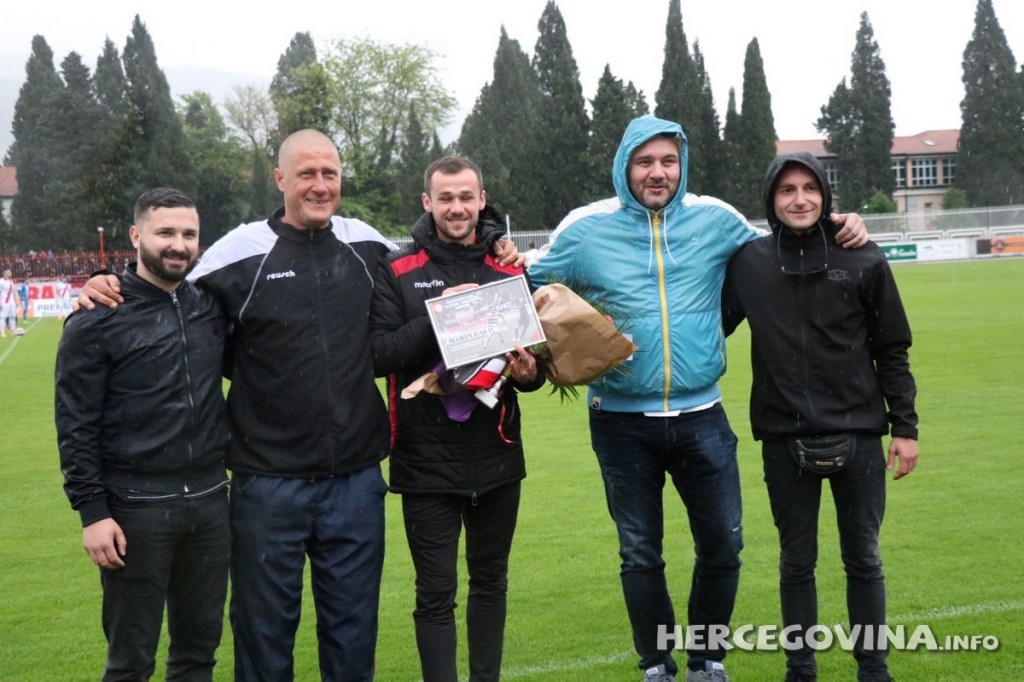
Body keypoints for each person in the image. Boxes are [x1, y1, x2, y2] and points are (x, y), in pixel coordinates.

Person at [77, 130, 522, 681]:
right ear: (281, 179)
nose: (319, 185)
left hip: (357, 481)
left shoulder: (366, 245)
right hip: (268, 484)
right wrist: (106, 284)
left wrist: (497, 237)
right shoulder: (237, 253)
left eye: (329, 173)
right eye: (306, 174)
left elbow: (443, 246)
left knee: (353, 638)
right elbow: (162, 285)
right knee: (264, 639)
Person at [526, 114, 869, 682]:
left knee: (723, 547)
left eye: (667, 161)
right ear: (624, 167)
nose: (657, 173)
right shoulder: (586, 228)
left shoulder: (717, 220)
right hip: (619, 421)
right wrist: (569, 331)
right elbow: (527, 282)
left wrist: (839, 223)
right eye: (645, 162)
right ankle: (656, 663)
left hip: (702, 417)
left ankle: (707, 659)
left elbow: (785, 246)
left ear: (680, 166)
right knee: (640, 552)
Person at [721, 152, 919, 682]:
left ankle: (873, 669)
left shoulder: (864, 257)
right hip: (783, 439)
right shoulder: (749, 264)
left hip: (858, 433)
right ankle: (800, 670)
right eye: (787, 190)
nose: (800, 199)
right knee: (796, 563)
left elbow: (892, 348)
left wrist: (905, 428)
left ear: (825, 196)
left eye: (809, 188)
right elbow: (706, 326)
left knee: (865, 560)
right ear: (771, 200)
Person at [368, 156, 543, 682]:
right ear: (427, 202)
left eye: (467, 197)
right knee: (435, 594)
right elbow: (378, 355)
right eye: (445, 198)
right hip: (425, 463)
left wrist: (530, 371)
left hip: (497, 454)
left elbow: (532, 369)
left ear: (482, 198)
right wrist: (440, 312)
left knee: (491, 584)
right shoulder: (396, 269)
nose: (457, 208)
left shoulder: (507, 268)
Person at [54, 188, 231, 681]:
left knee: (198, 654)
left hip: (211, 502)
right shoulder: (97, 318)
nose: (178, 244)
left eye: (188, 234)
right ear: (136, 236)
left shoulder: (209, 305)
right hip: (136, 510)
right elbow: (75, 424)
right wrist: (92, 513)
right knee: (131, 661)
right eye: (165, 233)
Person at [0, 269, 17, 337]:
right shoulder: (1, 281)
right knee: (3, 317)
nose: (11, 273)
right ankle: (2, 332)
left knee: (13, 317)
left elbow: (13, 292)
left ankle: (12, 331)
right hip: (4, 302)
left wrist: (16, 301)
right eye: (9, 272)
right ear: (5, 273)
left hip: (12, 302)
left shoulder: (11, 281)